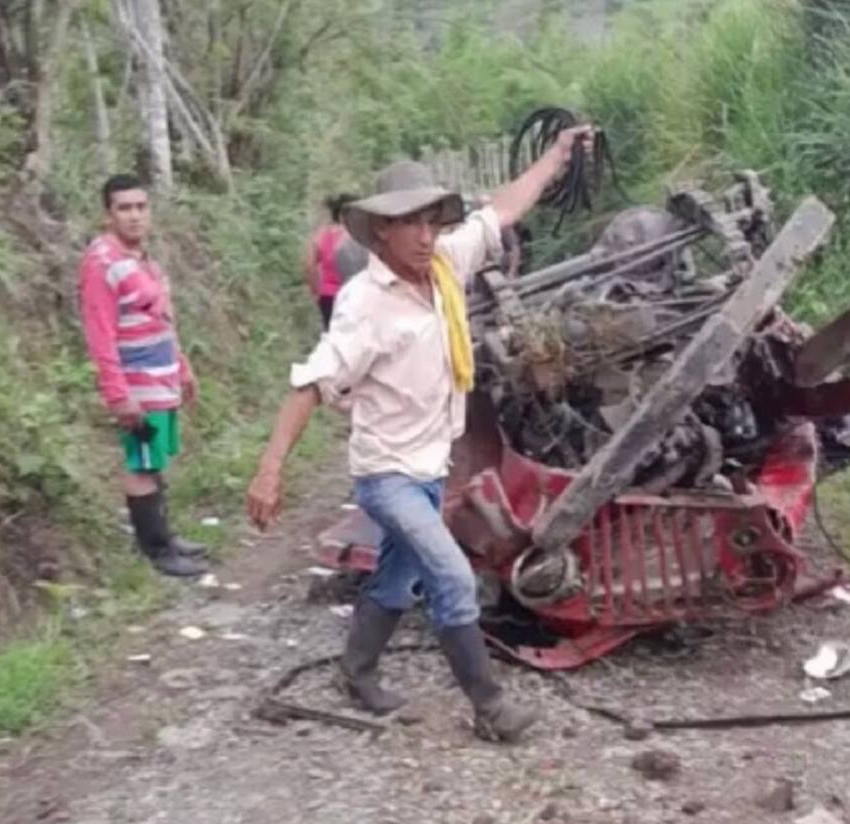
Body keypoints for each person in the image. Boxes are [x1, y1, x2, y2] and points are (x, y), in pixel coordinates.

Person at [246, 126, 593, 743]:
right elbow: (312, 382)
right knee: (452, 578)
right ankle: (491, 709)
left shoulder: (445, 266)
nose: (427, 235)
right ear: (381, 230)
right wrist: (271, 468)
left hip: (431, 465)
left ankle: (356, 671)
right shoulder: (363, 305)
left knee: (398, 578)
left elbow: (503, 210)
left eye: (433, 221)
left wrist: (556, 156)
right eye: (412, 224)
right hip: (388, 475)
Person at [78, 174, 207, 578]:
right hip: (135, 384)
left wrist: (182, 366)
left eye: (140, 207)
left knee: (154, 459)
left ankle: (166, 537)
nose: (134, 216)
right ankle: (155, 550)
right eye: (124, 208)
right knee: (139, 463)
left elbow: (161, 318)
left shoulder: (143, 259)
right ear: (107, 215)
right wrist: (118, 394)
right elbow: (100, 334)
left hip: (161, 377)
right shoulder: (103, 263)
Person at [305, 193, 360, 330]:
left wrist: (316, 291)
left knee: (333, 335)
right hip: (356, 295)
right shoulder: (357, 235)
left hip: (328, 296)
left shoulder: (321, 235)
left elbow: (309, 266)